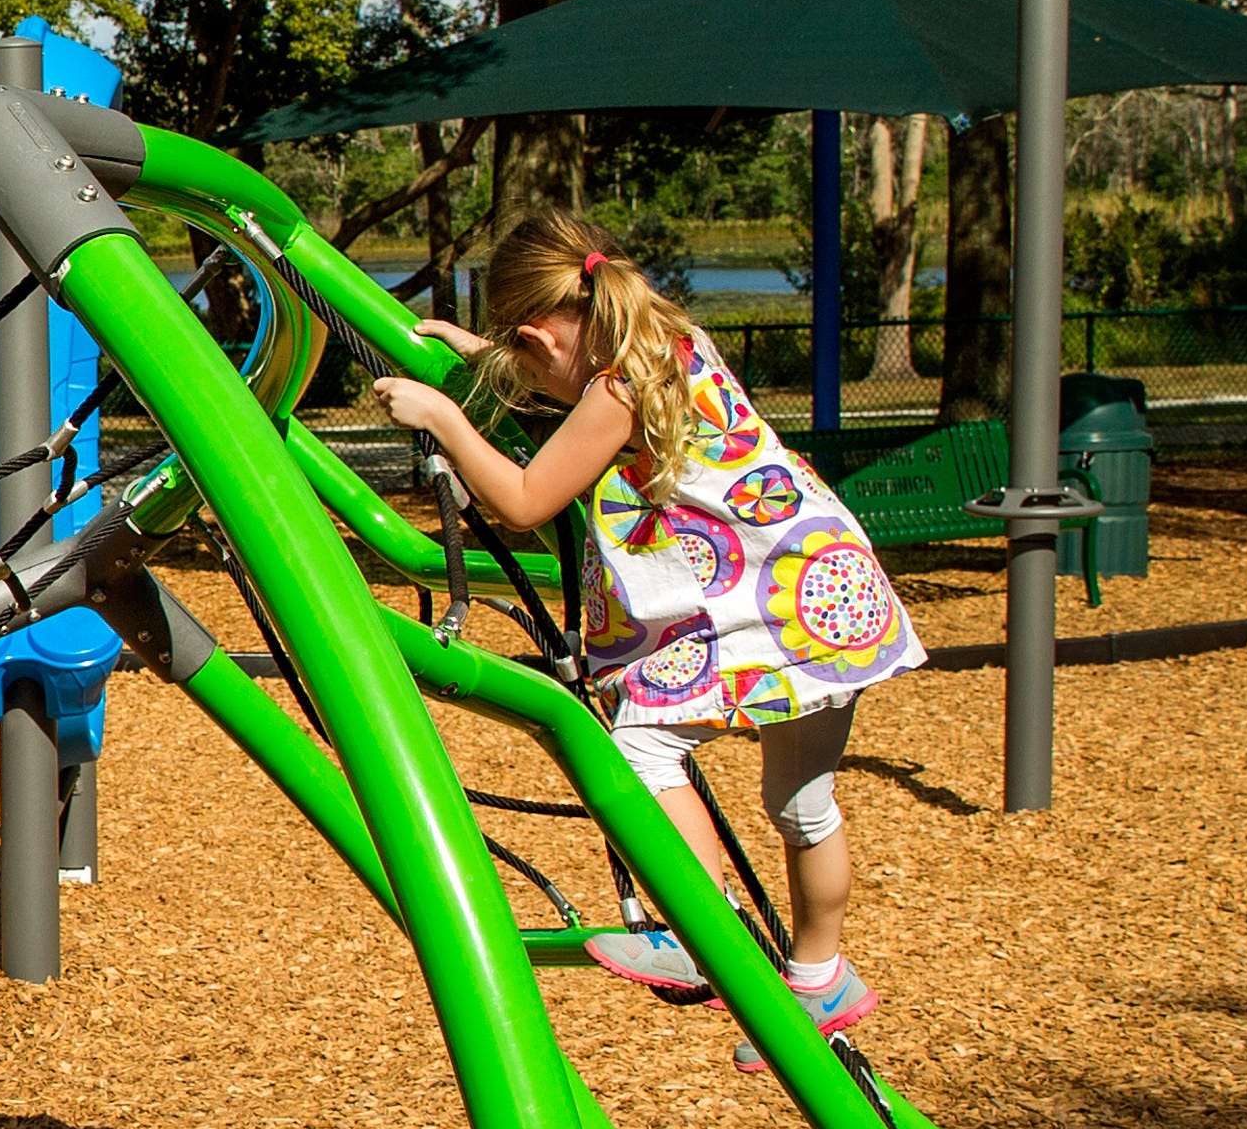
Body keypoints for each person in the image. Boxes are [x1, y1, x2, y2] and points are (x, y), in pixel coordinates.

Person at [374, 212, 921, 1043]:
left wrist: (445, 418)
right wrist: (486, 359)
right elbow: (563, 385)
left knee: (641, 745)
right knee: (803, 804)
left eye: (523, 354)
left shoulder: (615, 390)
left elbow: (524, 501)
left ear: (541, 333)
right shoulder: (667, 335)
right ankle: (821, 976)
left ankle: (702, 934)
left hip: (766, 607)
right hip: (826, 586)